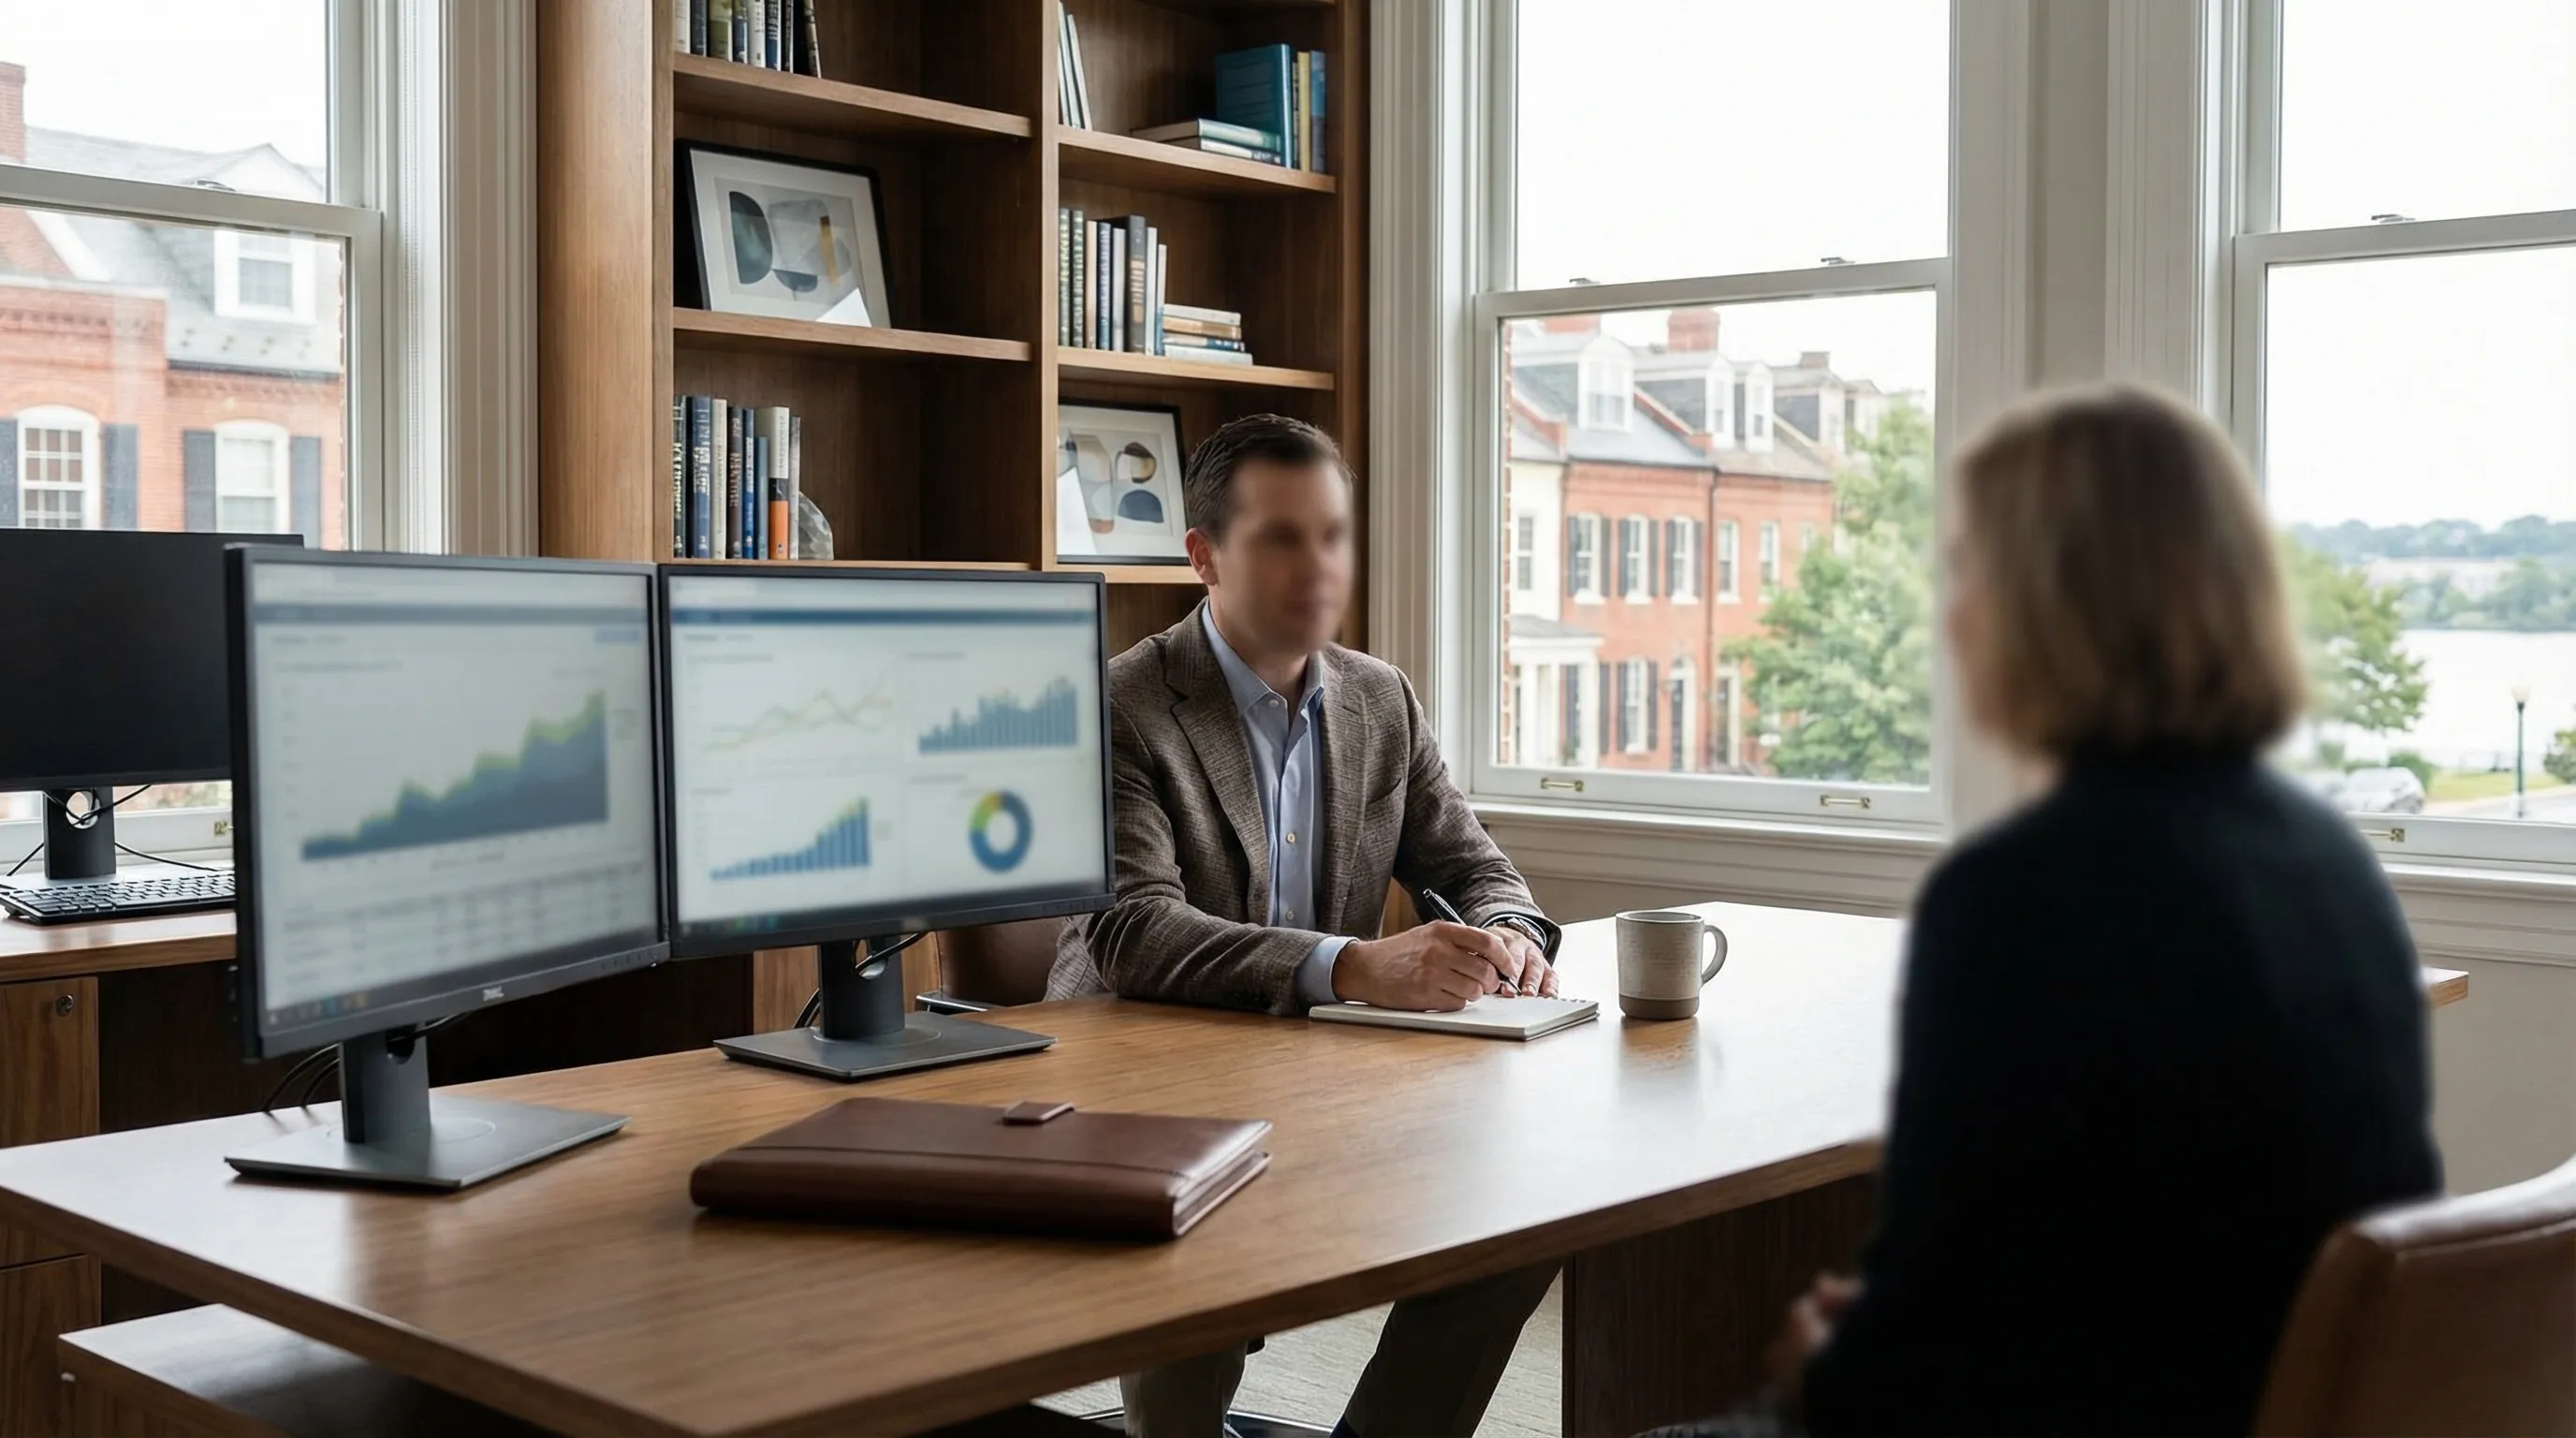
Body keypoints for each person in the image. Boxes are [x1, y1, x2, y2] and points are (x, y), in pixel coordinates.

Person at [1747, 386, 2442, 1435]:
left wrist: (1828, 1359)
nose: (1952, 607)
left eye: (1969, 564)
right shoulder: (2332, 862)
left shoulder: (2020, 895)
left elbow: (1902, 1380)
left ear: (2048, 602)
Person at [1048, 413, 1559, 1438]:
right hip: (1141, 1090)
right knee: (1192, 1310)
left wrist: (1513, 941)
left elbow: (1478, 867)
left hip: (1325, 1079)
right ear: (1204, 557)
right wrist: (1355, 965)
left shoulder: (1381, 699)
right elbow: (1135, 933)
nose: (1318, 565)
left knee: (1524, 1219)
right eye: (1282, 538)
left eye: (1332, 535)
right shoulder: (1120, 704)